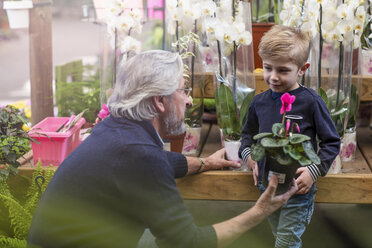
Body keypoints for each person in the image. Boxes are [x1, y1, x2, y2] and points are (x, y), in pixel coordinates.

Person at [28, 50, 298, 248]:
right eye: (182, 91)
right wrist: (259, 212)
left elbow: (162, 161)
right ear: (160, 101)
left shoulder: (116, 131)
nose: (189, 100)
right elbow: (188, 242)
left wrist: (205, 163)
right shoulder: (139, 154)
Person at [239, 25, 341, 248]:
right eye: (268, 68)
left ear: (302, 68)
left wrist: (314, 171)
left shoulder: (310, 102)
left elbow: (332, 142)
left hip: (298, 187)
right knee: (280, 238)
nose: (273, 77)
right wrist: (251, 159)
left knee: (285, 241)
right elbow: (247, 137)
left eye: (283, 70)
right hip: (267, 186)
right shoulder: (259, 102)